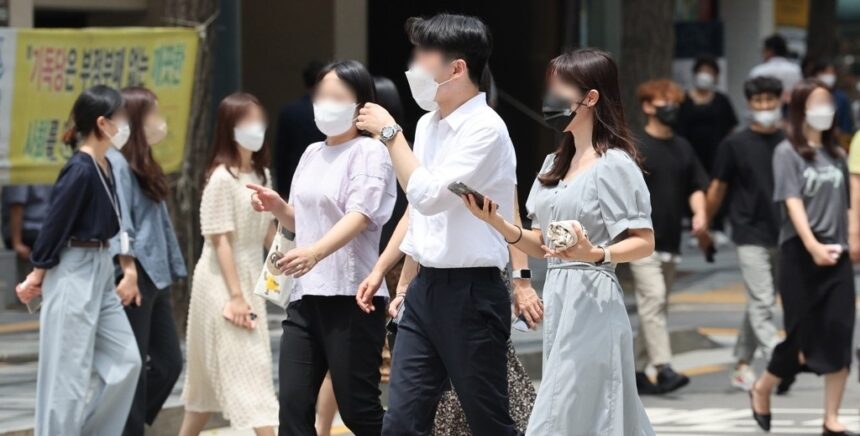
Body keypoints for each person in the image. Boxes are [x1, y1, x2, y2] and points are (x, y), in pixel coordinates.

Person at [458, 47, 655, 434]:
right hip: (562, 296)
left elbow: (644, 240)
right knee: (584, 407)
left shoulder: (614, 163)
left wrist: (597, 253)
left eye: (559, 86)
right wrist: (496, 221)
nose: (550, 96)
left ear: (591, 97)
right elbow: (539, 242)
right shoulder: (553, 164)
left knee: (575, 405)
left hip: (595, 298)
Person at [355, 13, 521, 436]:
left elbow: (428, 196)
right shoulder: (429, 125)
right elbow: (419, 213)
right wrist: (404, 282)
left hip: (472, 291)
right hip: (427, 291)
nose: (415, 64)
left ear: (457, 67)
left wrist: (391, 134)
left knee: (488, 421)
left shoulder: (486, 130)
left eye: (424, 54)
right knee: (401, 422)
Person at [247, 59, 396, 436]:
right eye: (321, 95)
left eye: (337, 97)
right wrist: (278, 207)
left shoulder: (371, 152)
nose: (325, 104)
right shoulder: (312, 152)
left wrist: (315, 253)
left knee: (358, 410)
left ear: (361, 105)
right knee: (294, 410)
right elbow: (305, 221)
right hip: (304, 295)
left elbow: (360, 215)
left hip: (351, 296)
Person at [16, 85, 142, 435]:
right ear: (102, 123)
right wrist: (37, 275)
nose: (126, 125)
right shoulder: (81, 169)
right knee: (66, 375)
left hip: (100, 268)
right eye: (121, 118)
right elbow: (56, 223)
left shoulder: (104, 165)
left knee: (126, 362)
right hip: (74, 268)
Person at [749, 79, 856, 435]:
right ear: (800, 108)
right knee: (800, 337)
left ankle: (831, 418)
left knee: (840, 332)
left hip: (836, 253)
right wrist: (811, 245)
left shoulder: (837, 154)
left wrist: (849, 240)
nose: (825, 107)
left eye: (828, 100)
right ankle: (762, 387)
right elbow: (792, 201)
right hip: (800, 253)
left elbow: (847, 205)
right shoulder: (787, 151)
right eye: (817, 101)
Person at [179, 92, 278, 436]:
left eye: (258, 119)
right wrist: (236, 296)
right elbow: (219, 240)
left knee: (205, 390)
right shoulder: (220, 178)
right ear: (229, 128)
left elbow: (269, 232)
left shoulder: (261, 174)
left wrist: (292, 260)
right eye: (246, 121)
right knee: (252, 372)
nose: (256, 127)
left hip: (249, 276)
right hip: (221, 281)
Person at [107, 86, 187, 436]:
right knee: (133, 366)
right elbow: (119, 224)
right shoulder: (118, 165)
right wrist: (128, 270)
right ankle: (124, 428)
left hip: (156, 275)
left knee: (169, 364)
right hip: (134, 274)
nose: (160, 121)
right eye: (153, 113)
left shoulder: (145, 163)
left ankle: (125, 423)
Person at [705, 76, 785, 391]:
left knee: (760, 302)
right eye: (758, 101)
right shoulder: (734, 144)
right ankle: (779, 360)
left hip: (783, 232)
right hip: (748, 232)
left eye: (770, 100)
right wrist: (705, 225)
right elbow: (717, 188)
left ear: (780, 101)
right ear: (749, 104)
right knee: (763, 301)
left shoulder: (790, 142)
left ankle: (741, 364)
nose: (764, 107)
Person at [631, 78, 709, 395]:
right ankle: (663, 368)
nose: (671, 108)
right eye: (664, 102)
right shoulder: (634, 146)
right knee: (654, 299)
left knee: (656, 308)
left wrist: (701, 215)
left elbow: (696, 185)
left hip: (671, 242)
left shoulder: (682, 147)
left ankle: (635, 371)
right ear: (648, 106)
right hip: (640, 241)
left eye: (675, 102)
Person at [677, 55, 738, 201]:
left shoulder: (722, 101)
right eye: (702, 70)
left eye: (710, 71)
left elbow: (731, 129)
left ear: (716, 76)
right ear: (695, 74)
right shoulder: (682, 100)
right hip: (689, 155)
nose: (705, 75)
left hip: (716, 157)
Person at [275, 60, 326, 198]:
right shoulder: (331, 111)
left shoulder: (289, 111)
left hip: (296, 181)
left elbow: (281, 156)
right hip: (326, 177)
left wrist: (282, 191)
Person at [802, 57, 854, 140]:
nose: (829, 76)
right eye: (825, 72)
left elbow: (846, 129)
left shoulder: (841, 98)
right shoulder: (805, 93)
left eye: (832, 72)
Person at [749, 34, 802, 102]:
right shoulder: (796, 70)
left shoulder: (758, 71)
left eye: (764, 50)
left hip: (764, 108)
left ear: (769, 51)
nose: (762, 53)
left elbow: (751, 94)